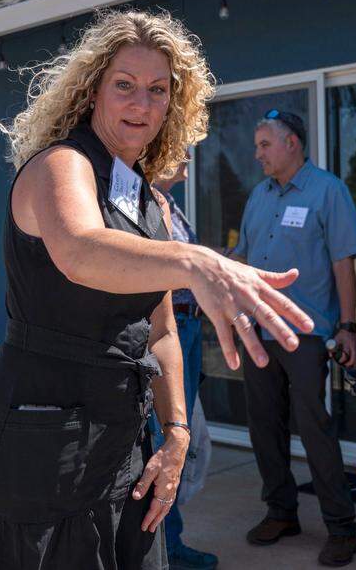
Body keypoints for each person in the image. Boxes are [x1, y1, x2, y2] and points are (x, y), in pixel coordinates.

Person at [0, 10, 315, 570]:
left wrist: (175, 436)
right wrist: (198, 261)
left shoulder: (148, 200)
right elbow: (80, 250)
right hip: (37, 437)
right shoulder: (62, 165)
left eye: (157, 90)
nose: (140, 104)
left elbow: (164, 331)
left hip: (121, 441)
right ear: (92, 90)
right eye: (124, 85)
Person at [233, 110, 356, 567]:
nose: (257, 154)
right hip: (258, 330)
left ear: (291, 143)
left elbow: (343, 263)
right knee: (263, 427)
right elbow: (244, 257)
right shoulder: (258, 196)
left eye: (264, 144)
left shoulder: (327, 190)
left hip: (306, 335)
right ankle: (281, 512)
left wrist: (348, 326)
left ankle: (341, 527)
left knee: (315, 430)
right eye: (256, 146)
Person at [149, 154, 219, 570]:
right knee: (167, 437)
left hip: (189, 330)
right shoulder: (145, 204)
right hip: (171, 329)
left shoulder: (168, 204)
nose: (189, 155)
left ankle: (168, 543)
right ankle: (166, 548)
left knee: (181, 436)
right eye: (177, 146)